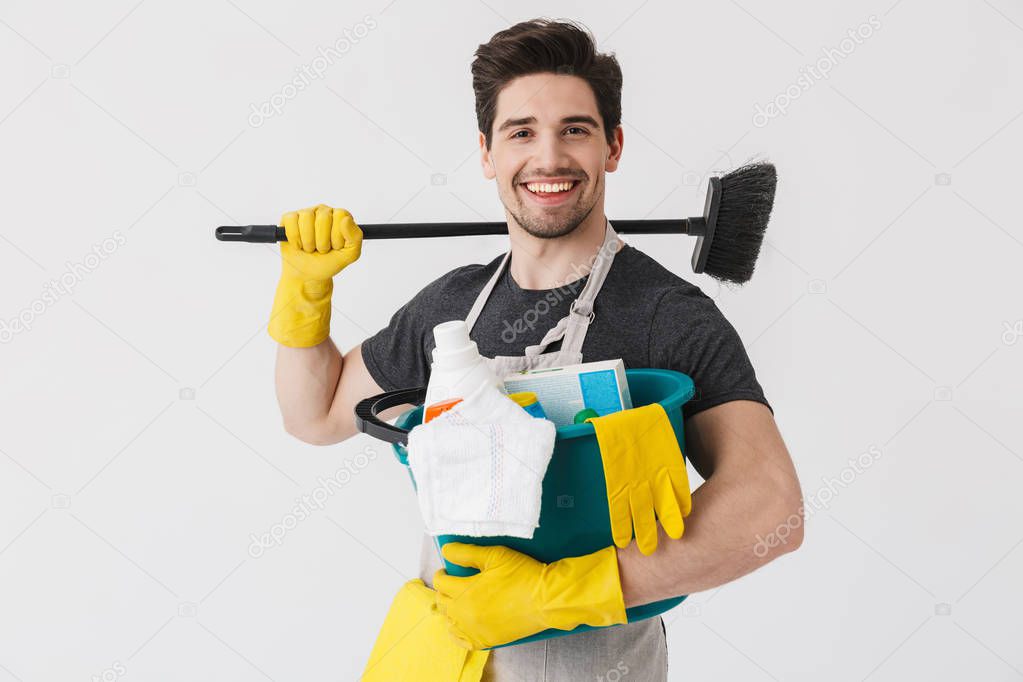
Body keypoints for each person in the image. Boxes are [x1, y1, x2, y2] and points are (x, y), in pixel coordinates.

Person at [267, 18, 803, 681]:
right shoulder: (451, 308)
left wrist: (560, 595)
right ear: (488, 154)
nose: (547, 158)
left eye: (573, 130)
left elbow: (771, 505)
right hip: (439, 661)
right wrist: (304, 294)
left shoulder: (667, 316)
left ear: (612, 147)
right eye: (521, 132)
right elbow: (313, 416)